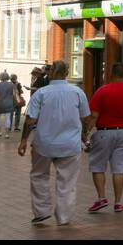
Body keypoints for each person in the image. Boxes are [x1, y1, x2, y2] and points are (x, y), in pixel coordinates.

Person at [18, 60, 91, 225]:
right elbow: (86, 118)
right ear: (67, 73)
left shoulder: (41, 93)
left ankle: (41, 211)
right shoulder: (78, 92)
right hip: (70, 145)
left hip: (44, 143)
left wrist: (23, 140)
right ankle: (64, 216)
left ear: (50, 73)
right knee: (67, 181)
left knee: (39, 176)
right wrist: (84, 136)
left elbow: (30, 120)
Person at [86, 62, 123, 214]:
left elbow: (94, 115)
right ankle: (118, 202)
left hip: (104, 132)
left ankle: (101, 198)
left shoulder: (102, 91)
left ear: (111, 73)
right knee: (119, 169)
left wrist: (85, 133)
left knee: (98, 166)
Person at [0, 71, 17, 139]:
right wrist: (15, 102)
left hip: (0, 103)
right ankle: (7, 134)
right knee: (8, 118)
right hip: (9, 103)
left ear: (1, 77)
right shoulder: (11, 85)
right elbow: (14, 95)